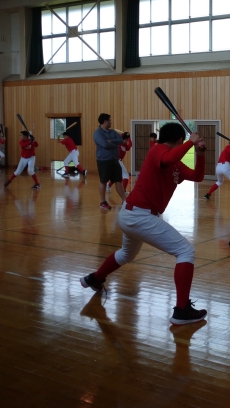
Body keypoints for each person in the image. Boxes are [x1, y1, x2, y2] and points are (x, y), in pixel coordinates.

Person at [80, 123, 208, 325]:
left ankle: (94, 278)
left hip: (134, 215)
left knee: (126, 254)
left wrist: (200, 155)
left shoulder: (175, 161)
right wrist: (191, 143)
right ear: (179, 140)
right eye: (183, 141)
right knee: (185, 251)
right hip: (139, 215)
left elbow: (197, 176)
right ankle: (182, 310)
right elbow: (167, 159)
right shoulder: (158, 150)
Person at [93, 113, 126, 210]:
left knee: (118, 180)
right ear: (105, 121)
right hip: (104, 161)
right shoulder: (97, 133)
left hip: (114, 160)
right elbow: (104, 144)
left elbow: (120, 140)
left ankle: (125, 200)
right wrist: (115, 144)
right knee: (103, 181)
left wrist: (111, 141)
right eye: (110, 120)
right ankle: (103, 202)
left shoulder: (112, 132)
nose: (111, 122)